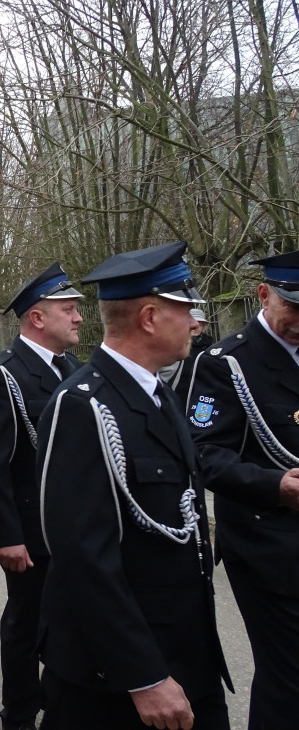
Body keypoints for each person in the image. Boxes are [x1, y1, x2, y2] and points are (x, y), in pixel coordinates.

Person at [36, 242, 230, 730]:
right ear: (149, 316)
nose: (195, 322)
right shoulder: (84, 405)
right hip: (118, 677)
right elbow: (82, 557)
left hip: (186, 653)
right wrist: (143, 676)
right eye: (186, 310)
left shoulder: (157, 391)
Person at [185, 250, 299, 730]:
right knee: (290, 675)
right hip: (268, 541)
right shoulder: (226, 363)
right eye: (293, 308)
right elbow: (202, 452)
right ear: (264, 294)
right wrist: (275, 485)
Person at [0, 262, 83, 730]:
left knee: (72, 621)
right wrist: (5, 537)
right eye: (69, 309)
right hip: (30, 530)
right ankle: (18, 710)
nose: (78, 317)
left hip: (75, 527)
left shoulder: (74, 368)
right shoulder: (1, 374)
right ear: (38, 318)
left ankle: (63, 705)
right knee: (27, 622)